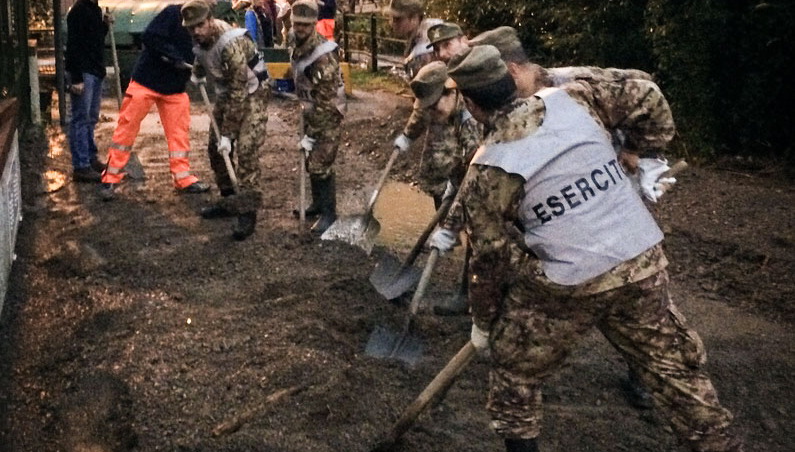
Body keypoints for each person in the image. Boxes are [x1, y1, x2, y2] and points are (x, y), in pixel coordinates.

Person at [432, 44, 744, 452]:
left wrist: (485, 323)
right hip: (640, 261)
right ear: (510, 79)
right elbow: (645, 93)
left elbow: (489, 260)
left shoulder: (486, 171)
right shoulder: (575, 97)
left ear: (471, 104)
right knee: (679, 378)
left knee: (515, 374)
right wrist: (646, 149)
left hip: (567, 285)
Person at [98, 4, 210, 201]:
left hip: (175, 87)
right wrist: (172, 56)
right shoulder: (172, 14)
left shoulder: (209, 22)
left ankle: (183, 178)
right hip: (147, 81)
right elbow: (150, 36)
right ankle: (110, 178)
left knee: (179, 135)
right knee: (126, 130)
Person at [182, 0, 271, 240]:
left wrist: (229, 135)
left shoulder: (231, 44)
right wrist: (198, 73)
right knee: (215, 148)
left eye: (200, 25)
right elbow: (203, 55)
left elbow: (239, 92)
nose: (196, 31)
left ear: (210, 20)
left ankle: (247, 210)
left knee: (246, 148)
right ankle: (230, 200)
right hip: (228, 92)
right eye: (191, 28)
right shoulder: (201, 38)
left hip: (252, 92)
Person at [409, 61, 481, 316]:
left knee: (482, 238)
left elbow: (478, 182)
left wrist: (451, 224)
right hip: (480, 178)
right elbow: (466, 163)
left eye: (434, 104)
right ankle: (470, 294)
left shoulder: (471, 119)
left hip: (506, 186)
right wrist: (455, 179)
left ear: (451, 91)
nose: (431, 112)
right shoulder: (454, 110)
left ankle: (473, 301)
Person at [290, 0, 346, 234]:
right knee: (309, 160)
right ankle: (317, 203)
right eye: (296, 24)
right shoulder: (295, 41)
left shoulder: (323, 56)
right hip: (310, 108)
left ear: (314, 24)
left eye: (305, 25)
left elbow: (326, 102)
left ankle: (329, 214)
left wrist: (311, 135)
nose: (300, 29)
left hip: (329, 112)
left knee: (321, 163)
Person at [388, 0, 442, 159]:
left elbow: (426, 102)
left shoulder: (423, 53)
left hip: (446, 116)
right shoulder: (433, 29)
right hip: (454, 111)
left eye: (398, 19)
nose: (392, 24)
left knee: (434, 170)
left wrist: (408, 135)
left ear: (414, 18)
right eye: (391, 18)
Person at [65, 0, 112, 182]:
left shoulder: (95, 10)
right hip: (83, 72)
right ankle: (81, 166)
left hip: (95, 70)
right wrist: (76, 78)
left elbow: (96, 39)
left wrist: (105, 26)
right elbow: (73, 45)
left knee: (91, 118)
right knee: (80, 119)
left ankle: (90, 158)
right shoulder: (78, 11)